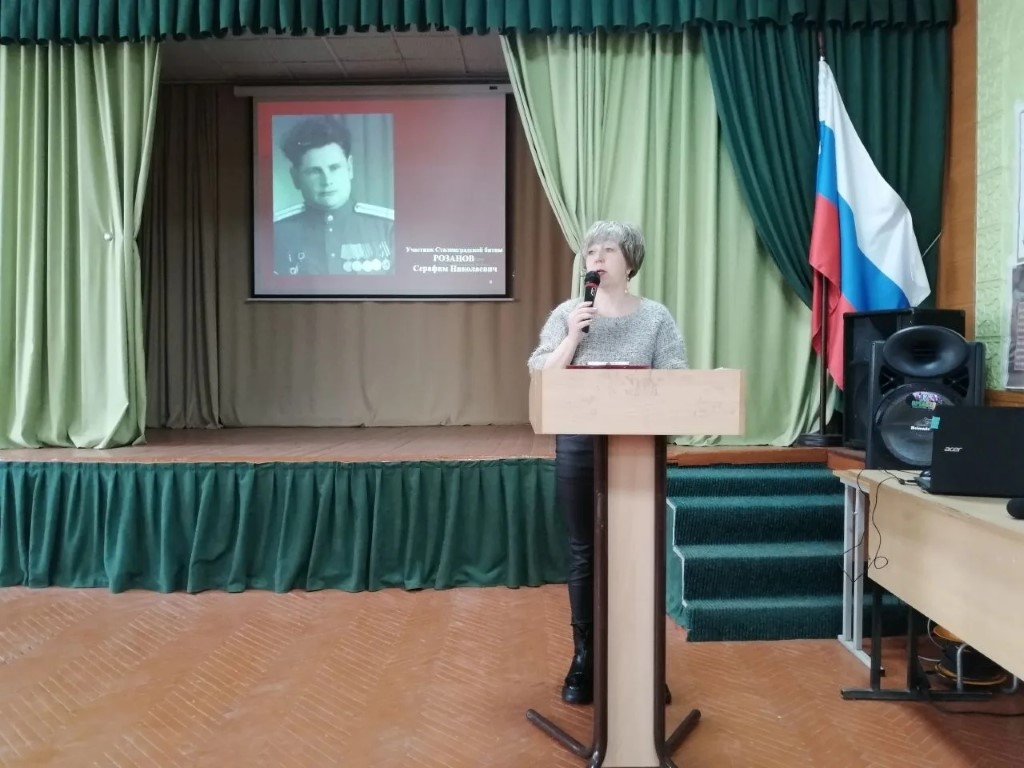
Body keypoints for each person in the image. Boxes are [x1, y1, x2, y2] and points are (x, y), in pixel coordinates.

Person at [527, 220, 689, 705]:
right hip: (579, 442)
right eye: (591, 250)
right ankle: (585, 656)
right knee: (584, 550)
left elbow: (677, 379)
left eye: (609, 249)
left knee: (638, 550)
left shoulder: (655, 317)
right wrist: (571, 338)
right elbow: (541, 374)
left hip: (638, 444)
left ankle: (641, 660)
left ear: (630, 261)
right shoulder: (568, 313)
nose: (596, 257)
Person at [273, 115, 394, 277]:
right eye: (314, 171)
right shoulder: (274, 233)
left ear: (349, 168)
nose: (327, 181)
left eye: (335, 168)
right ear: (295, 177)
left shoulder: (388, 227)